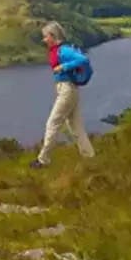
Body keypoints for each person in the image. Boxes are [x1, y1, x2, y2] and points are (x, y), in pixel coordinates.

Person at [30, 21, 95, 169]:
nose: (44, 40)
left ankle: (43, 160)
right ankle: (90, 158)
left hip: (66, 90)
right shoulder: (58, 50)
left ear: (53, 36)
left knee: (52, 124)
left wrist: (64, 66)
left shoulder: (63, 51)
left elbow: (83, 59)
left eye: (46, 36)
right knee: (76, 128)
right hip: (68, 90)